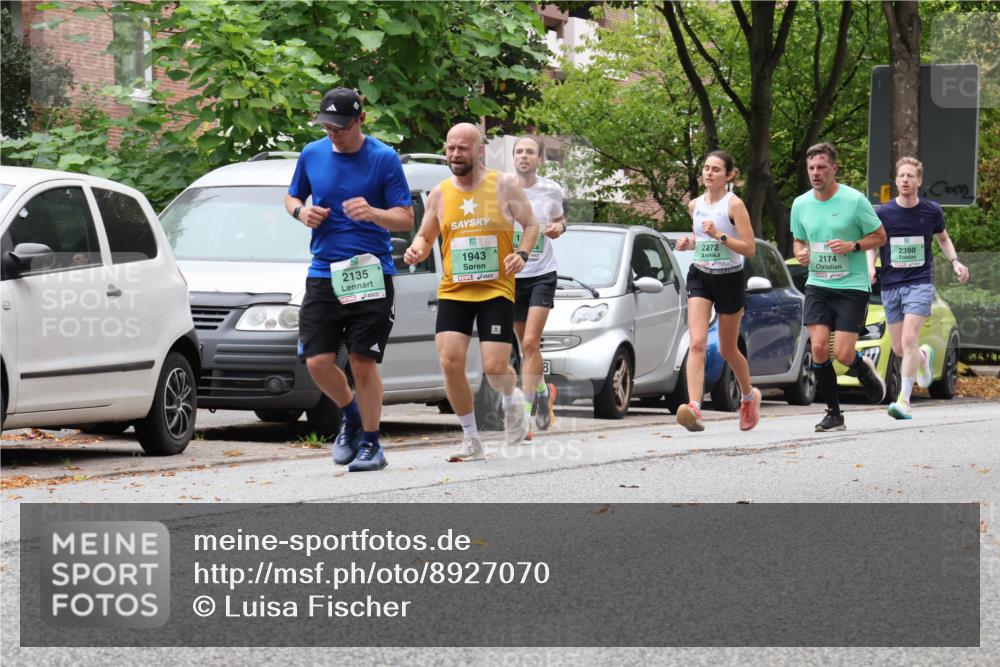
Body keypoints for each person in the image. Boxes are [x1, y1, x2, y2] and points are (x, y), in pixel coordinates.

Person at [284, 88, 414, 472]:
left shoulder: (383, 158)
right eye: (326, 126)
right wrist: (300, 213)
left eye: (340, 127)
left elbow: (406, 217)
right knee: (317, 360)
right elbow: (291, 197)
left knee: (362, 360)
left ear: (360, 120)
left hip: (370, 272)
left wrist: (373, 212)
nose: (333, 134)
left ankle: (372, 444)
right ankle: (351, 415)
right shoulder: (312, 154)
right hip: (324, 270)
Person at [404, 122, 540, 462]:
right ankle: (470, 438)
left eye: (461, 148)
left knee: (495, 369)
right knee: (450, 361)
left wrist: (521, 254)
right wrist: (417, 249)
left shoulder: (504, 185)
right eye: (450, 148)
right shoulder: (439, 193)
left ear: (479, 150)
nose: (454, 154)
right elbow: (425, 234)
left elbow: (532, 225)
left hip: (495, 288)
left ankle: (513, 404)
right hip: (455, 288)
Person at [792, 142, 888, 432]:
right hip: (818, 284)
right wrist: (800, 252)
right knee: (819, 347)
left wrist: (853, 245)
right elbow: (798, 240)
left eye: (821, 167)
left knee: (844, 354)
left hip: (851, 287)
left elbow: (880, 236)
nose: (816, 173)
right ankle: (834, 413)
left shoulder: (855, 200)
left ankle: (861, 368)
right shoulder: (801, 204)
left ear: (834, 168)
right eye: (811, 168)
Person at [872, 156, 970, 419]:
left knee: (909, 338)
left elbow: (943, 238)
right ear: (896, 180)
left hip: (920, 282)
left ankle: (904, 401)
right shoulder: (882, 213)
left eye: (910, 176)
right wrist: (871, 267)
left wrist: (956, 262)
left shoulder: (931, 211)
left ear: (919, 180)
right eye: (901, 176)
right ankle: (924, 359)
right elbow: (873, 243)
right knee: (900, 349)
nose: (905, 180)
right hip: (891, 284)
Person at [674, 150, 761, 432]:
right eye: (706, 168)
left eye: (715, 169)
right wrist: (691, 243)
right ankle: (695, 408)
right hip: (700, 276)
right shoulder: (694, 205)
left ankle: (748, 397)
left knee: (727, 349)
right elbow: (701, 241)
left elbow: (749, 247)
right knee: (697, 342)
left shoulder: (733, 205)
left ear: (728, 175)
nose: (708, 173)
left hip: (730, 278)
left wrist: (719, 236)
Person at [511, 136, 566, 433]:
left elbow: (559, 219)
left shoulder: (551, 190)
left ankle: (526, 415)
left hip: (542, 273)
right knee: (524, 346)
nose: (524, 156)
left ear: (540, 159)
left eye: (530, 152)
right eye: (519, 151)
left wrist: (560, 227)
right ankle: (543, 392)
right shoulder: (502, 189)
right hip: (511, 275)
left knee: (532, 342)